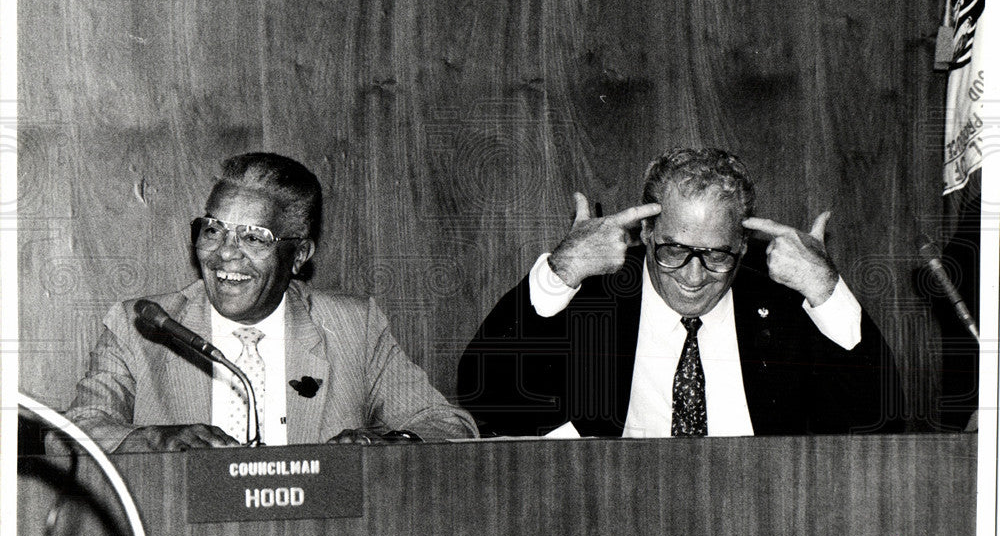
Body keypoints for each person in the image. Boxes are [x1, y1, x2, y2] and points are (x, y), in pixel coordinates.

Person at [457, 146, 905, 437]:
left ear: (743, 246)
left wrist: (828, 292)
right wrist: (560, 272)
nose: (693, 276)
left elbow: (884, 420)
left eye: (716, 254)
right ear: (647, 232)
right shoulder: (600, 297)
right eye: (673, 249)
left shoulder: (781, 303)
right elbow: (482, 391)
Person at [63, 152, 477, 452]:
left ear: (298, 256)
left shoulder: (354, 328)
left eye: (253, 238)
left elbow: (448, 424)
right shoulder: (145, 327)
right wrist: (151, 439)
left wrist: (385, 442)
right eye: (212, 231)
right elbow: (71, 433)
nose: (225, 253)